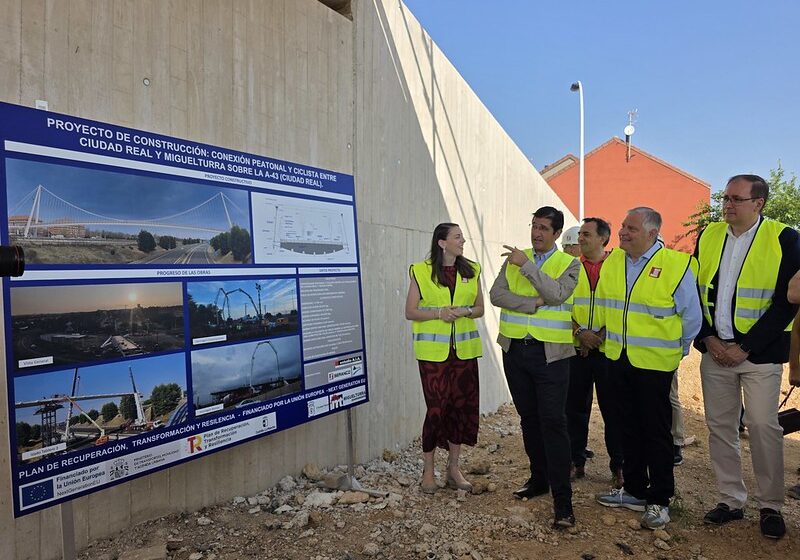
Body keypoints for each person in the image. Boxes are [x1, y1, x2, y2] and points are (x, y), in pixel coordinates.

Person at [694, 174, 800, 540]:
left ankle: (770, 505)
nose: (727, 205)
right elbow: (696, 291)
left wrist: (746, 346)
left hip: (760, 355)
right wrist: (707, 338)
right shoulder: (708, 235)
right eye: (725, 198)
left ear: (758, 203)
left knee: (762, 427)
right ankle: (730, 500)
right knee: (721, 428)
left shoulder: (785, 237)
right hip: (715, 349)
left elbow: (787, 302)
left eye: (736, 199)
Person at [594, 207, 701, 530]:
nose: (623, 232)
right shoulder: (614, 260)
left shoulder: (676, 264)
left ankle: (660, 499)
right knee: (627, 427)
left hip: (655, 364)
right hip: (618, 357)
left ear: (653, 233)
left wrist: (676, 352)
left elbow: (691, 317)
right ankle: (635, 489)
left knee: (656, 432)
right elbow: (605, 305)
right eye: (623, 226)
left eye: (631, 228)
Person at [489, 206, 579, 529]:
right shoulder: (514, 258)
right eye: (534, 226)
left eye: (543, 228)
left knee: (553, 422)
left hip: (551, 356)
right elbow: (496, 294)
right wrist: (530, 304)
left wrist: (527, 267)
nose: (536, 233)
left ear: (557, 234)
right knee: (529, 419)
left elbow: (555, 294)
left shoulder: (569, 263)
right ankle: (538, 478)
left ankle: (563, 502)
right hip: (515, 352)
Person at [405, 223, 485, 495]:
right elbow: (411, 311)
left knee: (460, 408)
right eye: (457, 237)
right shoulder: (421, 271)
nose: (463, 241)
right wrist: (439, 313)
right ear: (441, 243)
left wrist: (463, 311)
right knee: (436, 409)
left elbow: (479, 309)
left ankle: (453, 469)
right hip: (433, 356)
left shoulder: (472, 270)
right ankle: (428, 472)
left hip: (464, 352)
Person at [566, 217, 624, 487]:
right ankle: (575, 461)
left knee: (615, 412)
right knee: (574, 409)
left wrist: (601, 336)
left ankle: (619, 467)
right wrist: (580, 334)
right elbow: (561, 308)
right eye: (580, 234)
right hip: (578, 351)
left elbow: (625, 305)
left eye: (586, 234)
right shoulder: (571, 269)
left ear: (603, 238)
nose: (580, 238)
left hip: (608, 351)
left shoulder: (620, 267)